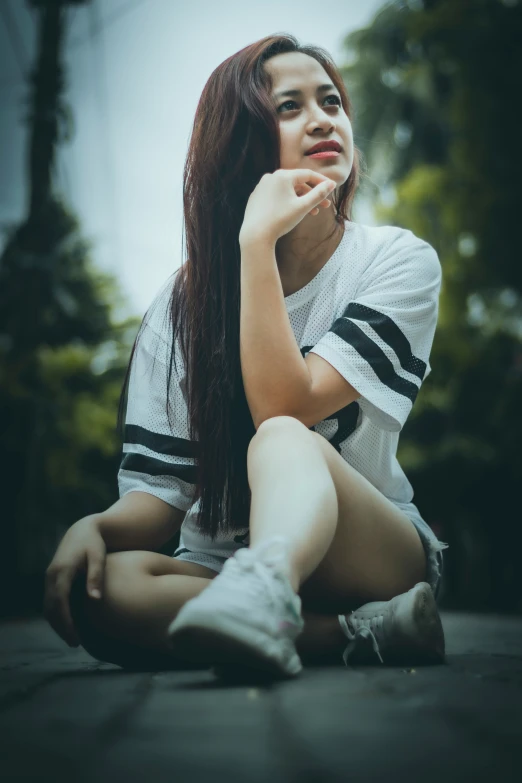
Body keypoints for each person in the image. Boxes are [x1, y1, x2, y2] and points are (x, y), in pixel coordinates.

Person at [44, 34, 449, 680]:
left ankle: (271, 589)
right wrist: (95, 527)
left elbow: (283, 406)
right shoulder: (180, 304)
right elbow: (163, 491)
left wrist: (257, 243)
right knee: (101, 588)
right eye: (289, 107)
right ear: (241, 142)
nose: (323, 118)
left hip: (369, 555)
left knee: (283, 436)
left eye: (331, 101)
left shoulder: (397, 261)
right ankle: (356, 634)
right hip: (222, 565)